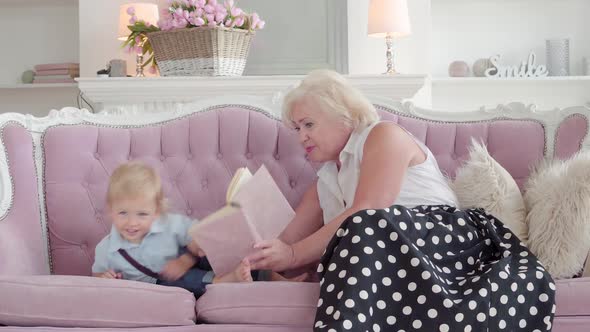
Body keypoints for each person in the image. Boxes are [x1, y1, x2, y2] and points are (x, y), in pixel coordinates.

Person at [247, 69, 556, 331]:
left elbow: (369, 209)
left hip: (444, 243)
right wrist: (259, 260)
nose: (301, 137)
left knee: (363, 224)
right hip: (387, 254)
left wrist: (291, 255)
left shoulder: (383, 135)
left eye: (308, 124)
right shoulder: (323, 183)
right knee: (352, 238)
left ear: (343, 116)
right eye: (296, 128)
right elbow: (287, 245)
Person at [92, 162, 300, 298]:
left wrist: (192, 252)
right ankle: (226, 281)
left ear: (156, 212)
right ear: (110, 211)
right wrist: (104, 278)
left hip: (186, 257)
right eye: (123, 213)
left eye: (142, 214)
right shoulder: (106, 249)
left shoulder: (168, 224)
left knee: (214, 251)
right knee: (174, 281)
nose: (132, 223)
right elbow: (98, 275)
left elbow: (199, 236)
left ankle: (277, 279)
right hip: (158, 280)